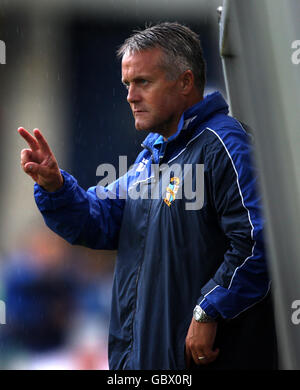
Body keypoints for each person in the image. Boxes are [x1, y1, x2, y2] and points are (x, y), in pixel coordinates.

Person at [18, 22, 277, 370]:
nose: (130, 96)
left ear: (185, 82)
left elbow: (258, 243)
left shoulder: (224, 146)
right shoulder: (152, 157)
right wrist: (55, 186)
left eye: (143, 82)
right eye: (127, 84)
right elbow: (99, 219)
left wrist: (208, 309)